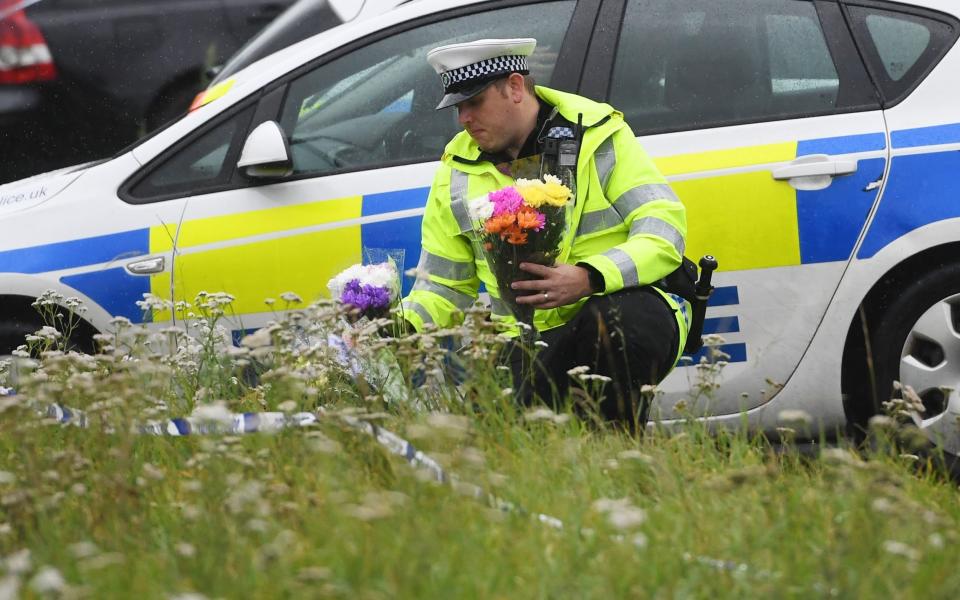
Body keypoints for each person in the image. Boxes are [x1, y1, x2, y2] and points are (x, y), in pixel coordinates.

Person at [400, 38, 688, 424]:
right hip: (522, 342)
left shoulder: (598, 135)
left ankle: (615, 450)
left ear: (515, 87)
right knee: (511, 448)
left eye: (474, 102)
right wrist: (394, 327)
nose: (463, 119)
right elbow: (442, 285)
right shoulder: (456, 168)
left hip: (608, 312)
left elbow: (664, 229)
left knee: (617, 323)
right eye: (457, 107)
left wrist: (590, 277)